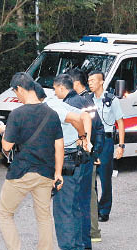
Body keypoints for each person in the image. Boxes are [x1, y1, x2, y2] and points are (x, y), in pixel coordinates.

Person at [0, 72, 65, 250]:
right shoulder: (52, 114)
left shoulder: (17, 114)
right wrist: (58, 173)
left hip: (21, 172)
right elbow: (59, 146)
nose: (16, 97)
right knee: (43, 216)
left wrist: (4, 131)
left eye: (15, 92)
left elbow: (6, 147)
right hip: (46, 173)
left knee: (4, 213)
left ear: (19, 89)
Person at [34, 80, 92, 250]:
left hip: (66, 159)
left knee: (63, 210)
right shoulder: (56, 102)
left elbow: (76, 119)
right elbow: (85, 115)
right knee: (74, 207)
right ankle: (79, 246)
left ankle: (70, 247)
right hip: (77, 159)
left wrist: (82, 137)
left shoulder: (50, 108)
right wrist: (85, 139)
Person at [53, 73, 104, 249]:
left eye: (55, 89)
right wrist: (94, 150)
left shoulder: (67, 105)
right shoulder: (87, 100)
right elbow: (99, 126)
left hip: (75, 158)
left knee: (70, 206)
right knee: (83, 203)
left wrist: (83, 140)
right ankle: (85, 244)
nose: (54, 93)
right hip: (88, 157)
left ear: (63, 87)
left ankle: (76, 245)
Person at [68, 68, 104, 243]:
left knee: (85, 194)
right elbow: (99, 128)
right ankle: (91, 231)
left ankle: (90, 232)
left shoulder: (79, 102)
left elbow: (95, 129)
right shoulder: (88, 100)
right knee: (88, 193)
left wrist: (93, 151)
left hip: (83, 154)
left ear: (75, 83)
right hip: (89, 153)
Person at [88, 70, 125, 223]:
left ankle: (104, 210)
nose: (90, 83)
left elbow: (120, 122)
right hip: (91, 141)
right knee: (91, 178)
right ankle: (94, 209)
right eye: (88, 81)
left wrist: (121, 145)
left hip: (106, 141)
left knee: (105, 177)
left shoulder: (111, 100)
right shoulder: (87, 100)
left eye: (93, 80)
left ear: (101, 82)